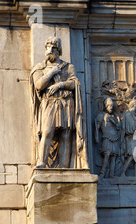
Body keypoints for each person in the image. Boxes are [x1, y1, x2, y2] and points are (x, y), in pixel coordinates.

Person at [30, 36, 88, 169]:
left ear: (58, 50)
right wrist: (52, 72)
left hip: (66, 103)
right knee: (47, 132)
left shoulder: (68, 67)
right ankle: (42, 162)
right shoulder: (40, 68)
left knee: (66, 135)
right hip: (49, 103)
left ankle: (64, 167)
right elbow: (39, 85)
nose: (50, 50)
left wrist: (60, 84)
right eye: (48, 47)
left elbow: (74, 84)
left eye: (53, 48)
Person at [94, 97, 121, 178]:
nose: (111, 108)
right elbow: (97, 127)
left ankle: (111, 174)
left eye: (112, 106)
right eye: (109, 106)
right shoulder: (101, 115)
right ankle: (102, 173)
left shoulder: (114, 116)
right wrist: (96, 136)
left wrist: (118, 121)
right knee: (107, 155)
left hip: (115, 137)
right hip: (106, 137)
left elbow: (118, 127)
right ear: (106, 106)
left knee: (113, 156)